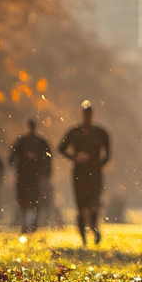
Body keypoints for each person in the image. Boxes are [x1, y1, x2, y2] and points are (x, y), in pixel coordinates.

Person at [58, 101, 111, 246]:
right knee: (81, 206)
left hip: (95, 174)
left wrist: (96, 164)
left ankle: (94, 228)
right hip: (79, 174)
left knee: (94, 203)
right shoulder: (74, 132)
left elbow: (107, 156)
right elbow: (61, 148)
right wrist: (75, 157)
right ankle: (83, 238)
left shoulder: (101, 133)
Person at [10, 118, 52, 234]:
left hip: (34, 176)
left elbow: (48, 159)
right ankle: (26, 224)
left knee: (33, 200)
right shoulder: (25, 141)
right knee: (26, 201)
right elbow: (13, 158)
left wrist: (45, 173)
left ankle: (32, 224)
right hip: (26, 176)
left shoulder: (31, 141)